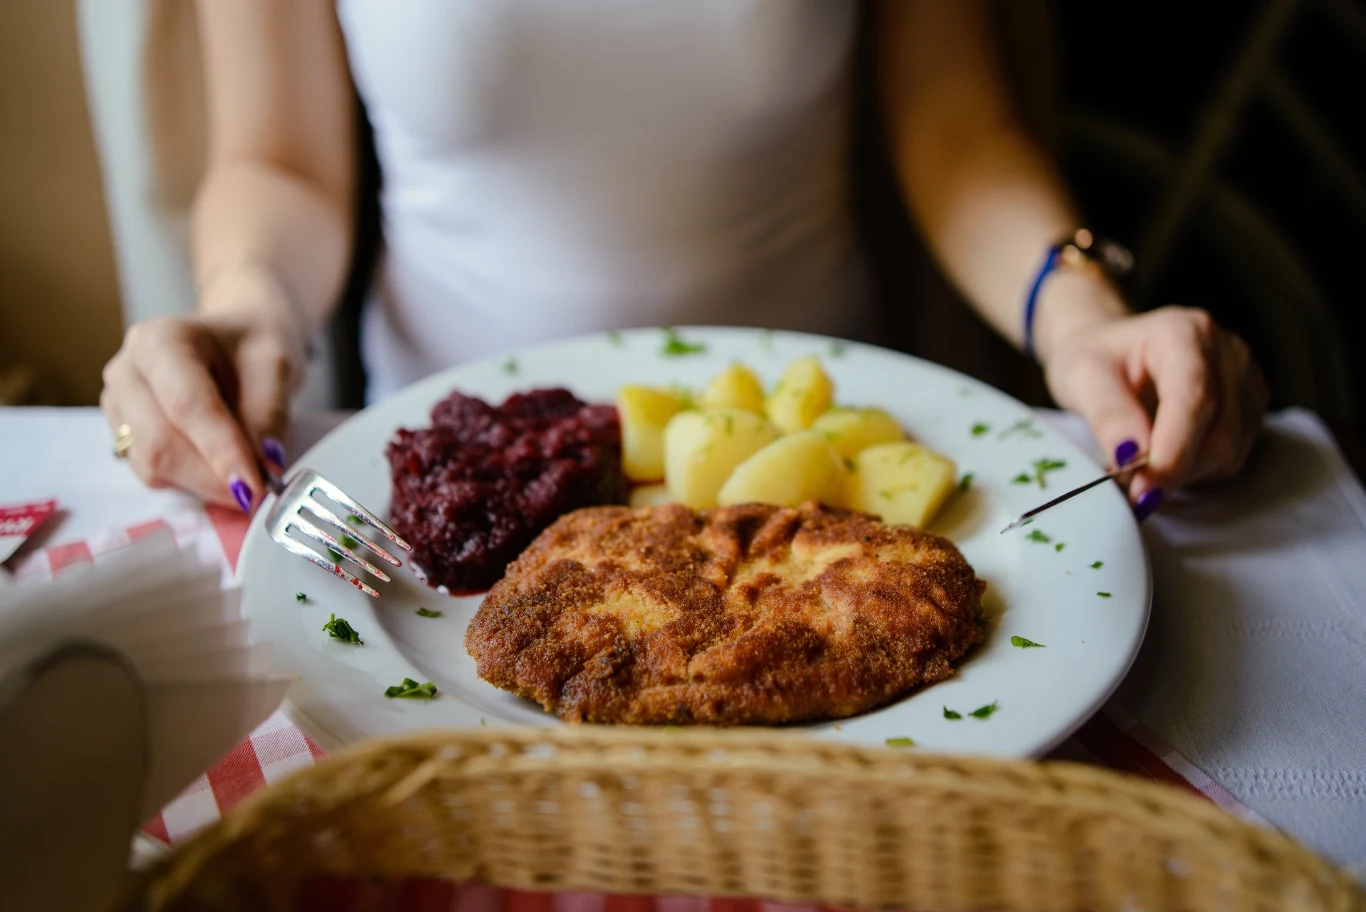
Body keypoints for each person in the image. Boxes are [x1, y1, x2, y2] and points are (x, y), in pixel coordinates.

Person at [99, 0, 1265, 520]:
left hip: (839, 473)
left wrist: (1079, 318)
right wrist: (248, 310)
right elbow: (281, 160)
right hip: (436, 499)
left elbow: (955, 128)